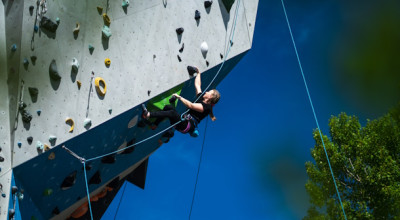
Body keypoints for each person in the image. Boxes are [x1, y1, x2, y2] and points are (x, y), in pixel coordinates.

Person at [142, 67, 220, 136]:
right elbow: (197, 85)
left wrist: (179, 97)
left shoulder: (207, 107)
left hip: (186, 126)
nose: (206, 92)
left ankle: (148, 114)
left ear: (211, 96)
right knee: (168, 107)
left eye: (209, 92)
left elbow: (191, 106)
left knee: (172, 113)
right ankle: (155, 125)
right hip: (183, 121)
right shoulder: (201, 99)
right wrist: (198, 73)